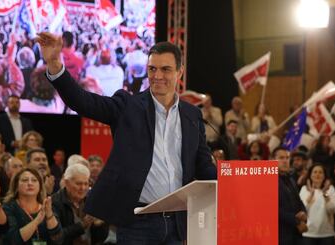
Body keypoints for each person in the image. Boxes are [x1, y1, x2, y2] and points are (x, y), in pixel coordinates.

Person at [36, 33, 217, 244]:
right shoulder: (128, 106)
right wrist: (55, 65)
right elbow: (83, 101)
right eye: (152, 69)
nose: (157, 75)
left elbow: (204, 166)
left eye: (165, 69)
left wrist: (231, 181)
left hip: (178, 223)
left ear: (180, 72)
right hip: (137, 222)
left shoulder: (192, 115)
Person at [1, 167, 63, 245]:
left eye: (34, 180)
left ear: (40, 186)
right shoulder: (9, 207)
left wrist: (49, 215)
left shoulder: (47, 205)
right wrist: (37, 220)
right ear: (16, 186)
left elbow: (58, 239)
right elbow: (13, 240)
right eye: (25, 180)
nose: (30, 183)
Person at [52, 163, 108, 245]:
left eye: (86, 184)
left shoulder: (91, 201)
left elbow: (100, 239)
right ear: (67, 183)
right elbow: (55, 237)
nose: (83, 188)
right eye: (78, 184)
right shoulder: (54, 202)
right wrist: (81, 226)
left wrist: (99, 226)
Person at [274, 146, 308, 245]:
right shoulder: (268, 181)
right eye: (281, 158)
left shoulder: (291, 179)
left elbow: (298, 200)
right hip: (281, 234)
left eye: (287, 158)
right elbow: (273, 208)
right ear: (273, 160)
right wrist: (296, 221)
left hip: (296, 233)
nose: (285, 161)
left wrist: (303, 213)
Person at [299, 164, 335, 244]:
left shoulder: (330, 189)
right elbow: (302, 210)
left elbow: (332, 210)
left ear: (324, 175)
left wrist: (324, 194)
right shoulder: (304, 189)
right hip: (308, 233)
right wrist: (311, 195)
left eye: (320, 172)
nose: (317, 174)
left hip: (327, 233)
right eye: (315, 172)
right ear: (310, 175)